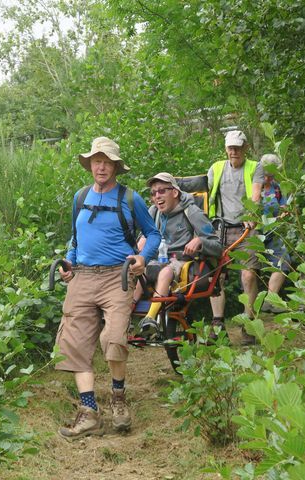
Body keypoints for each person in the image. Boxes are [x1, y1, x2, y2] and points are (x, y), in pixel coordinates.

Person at [55, 136, 161, 440]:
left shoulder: (130, 198)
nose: (101, 167)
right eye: (96, 161)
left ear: (115, 166)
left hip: (118, 276)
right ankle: (89, 413)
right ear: (90, 164)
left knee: (114, 339)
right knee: (73, 343)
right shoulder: (80, 197)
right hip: (83, 277)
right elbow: (75, 238)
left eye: (107, 162)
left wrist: (143, 257)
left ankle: (118, 400)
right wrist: (69, 263)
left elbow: (153, 234)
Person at [133, 172, 223, 335]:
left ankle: (150, 318)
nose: (156, 196)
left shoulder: (192, 212)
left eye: (161, 191)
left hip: (182, 264)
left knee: (166, 271)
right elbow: (141, 243)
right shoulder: (153, 212)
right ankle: (125, 314)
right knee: (134, 270)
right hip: (157, 262)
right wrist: (140, 246)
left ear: (174, 192)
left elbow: (217, 246)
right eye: (153, 193)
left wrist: (200, 242)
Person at [207, 130, 264, 344]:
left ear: (245, 148)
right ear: (225, 149)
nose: (234, 151)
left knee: (248, 276)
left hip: (246, 227)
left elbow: (256, 194)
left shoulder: (254, 167)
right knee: (216, 277)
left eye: (238, 147)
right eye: (231, 147)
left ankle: (249, 323)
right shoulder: (216, 168)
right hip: (220, 227)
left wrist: (252, 214)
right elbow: (206, 195)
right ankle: (218, 324)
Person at [259, 154, 292, 311]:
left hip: (273, 232)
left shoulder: (277, 188)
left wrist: (283, 215)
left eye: (271, 174)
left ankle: (271, 299)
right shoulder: (252, 187)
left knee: (283, 260)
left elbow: (285, 207)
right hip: (254, 233)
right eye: (265, 174)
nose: (268, 178)